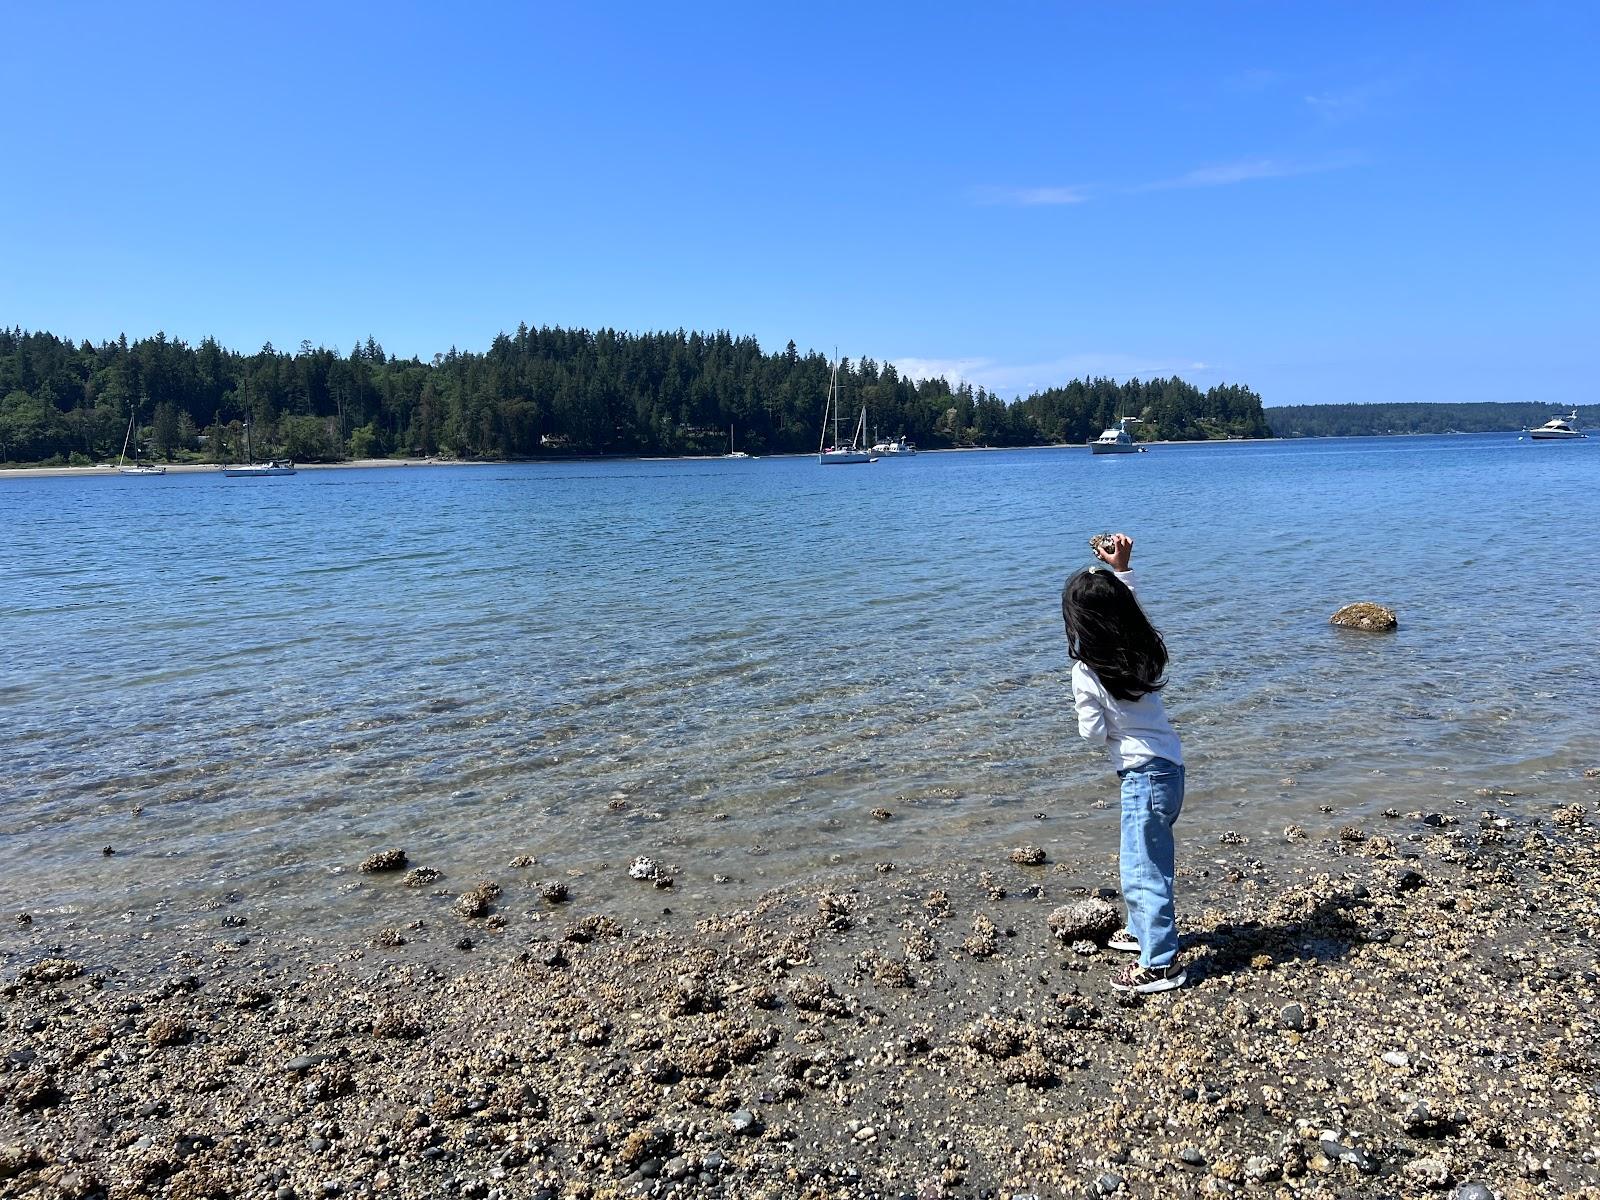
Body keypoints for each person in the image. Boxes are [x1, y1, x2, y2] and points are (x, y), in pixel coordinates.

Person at [1061, 532, 1186, 993]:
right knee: (1138, 859)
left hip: (1142, 778)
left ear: (1077, 622)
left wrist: (1089, 713)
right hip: (1169, 768)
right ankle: (1139, 933)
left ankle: (1161, 964)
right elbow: (1127, 611)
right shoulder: (1143, 647)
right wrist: (1122, 570)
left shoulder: (1086, 671)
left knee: (1145, 868)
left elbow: (1092, 732)